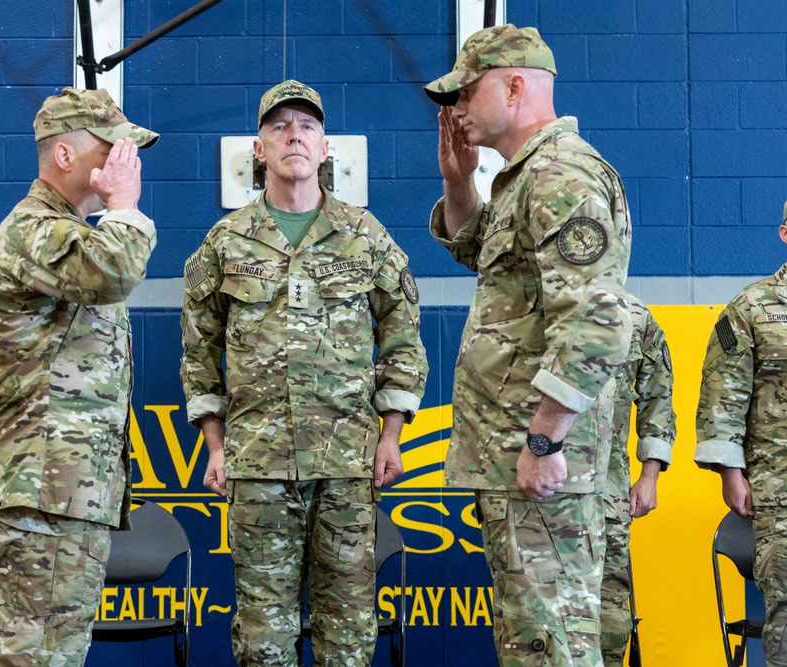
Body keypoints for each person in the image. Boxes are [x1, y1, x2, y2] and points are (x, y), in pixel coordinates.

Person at [180, 80, 428, 666]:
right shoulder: (224, 242)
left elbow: (403, 338)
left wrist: (390, 436)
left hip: (348, 463)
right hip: (257, 463)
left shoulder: (365, 235)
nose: (295, 135)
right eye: (279, 127)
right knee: (264, 633)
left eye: (308, 127)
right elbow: (198, 353)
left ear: (324, 151)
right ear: (259, 151)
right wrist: (215, 447)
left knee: (348, 628)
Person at [424, 24, 633, 666]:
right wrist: (459, 183)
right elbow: (478, 254)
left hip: (541, 465)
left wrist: (545, 440)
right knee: (537, 642)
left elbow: (597, 321)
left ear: (514, 87)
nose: (455, 109)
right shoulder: (522, 178)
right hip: (519, 460)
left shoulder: (559, 176)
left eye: (465, 91)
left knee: (551, 647)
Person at [0, 87, 159, 666]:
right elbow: (113, 271)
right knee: (36, 652)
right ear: (64, 156)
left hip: (70, 488)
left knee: (59, 650)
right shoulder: (33, 230)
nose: (126, 159)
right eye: (113, 147)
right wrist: (124, 206)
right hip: (43, 486)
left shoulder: (71, 232)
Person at [695, 202, 787, 667]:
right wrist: (731, 474)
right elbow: (721, 399)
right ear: (785, 232)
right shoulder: (751, 309)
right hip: (779, 491)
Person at [600, 295, 676, 666]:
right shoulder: (527, 305)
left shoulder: (637, 317)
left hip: (607, 492)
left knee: (611, 608)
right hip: (537, 496)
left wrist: (650, 476)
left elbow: (658, 400)